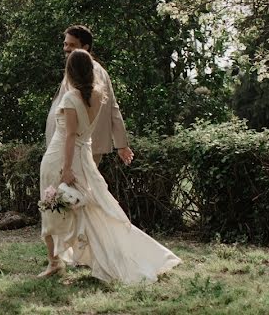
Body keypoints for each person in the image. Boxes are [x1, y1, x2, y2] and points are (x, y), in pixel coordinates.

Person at [38, 49, 181, 282]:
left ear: (70, 72)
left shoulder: (70, 98)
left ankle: (55, 262)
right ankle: (82, 256)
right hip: (83, 158)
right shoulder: (97, 96)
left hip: (61, 158)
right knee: (91, 209)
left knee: (50, 206)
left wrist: (66, 169)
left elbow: (71, 136)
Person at [46, 25, 134, 167]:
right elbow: (113, 108)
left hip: (78, 146)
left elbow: (110, 108)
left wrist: (122, 145)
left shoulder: (86, 73)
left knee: (74, 188)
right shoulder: (95, 70)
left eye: (72, 45)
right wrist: (121, 144)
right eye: (65, 44)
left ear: (85, 47)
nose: (66, 48)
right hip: (80, 145)